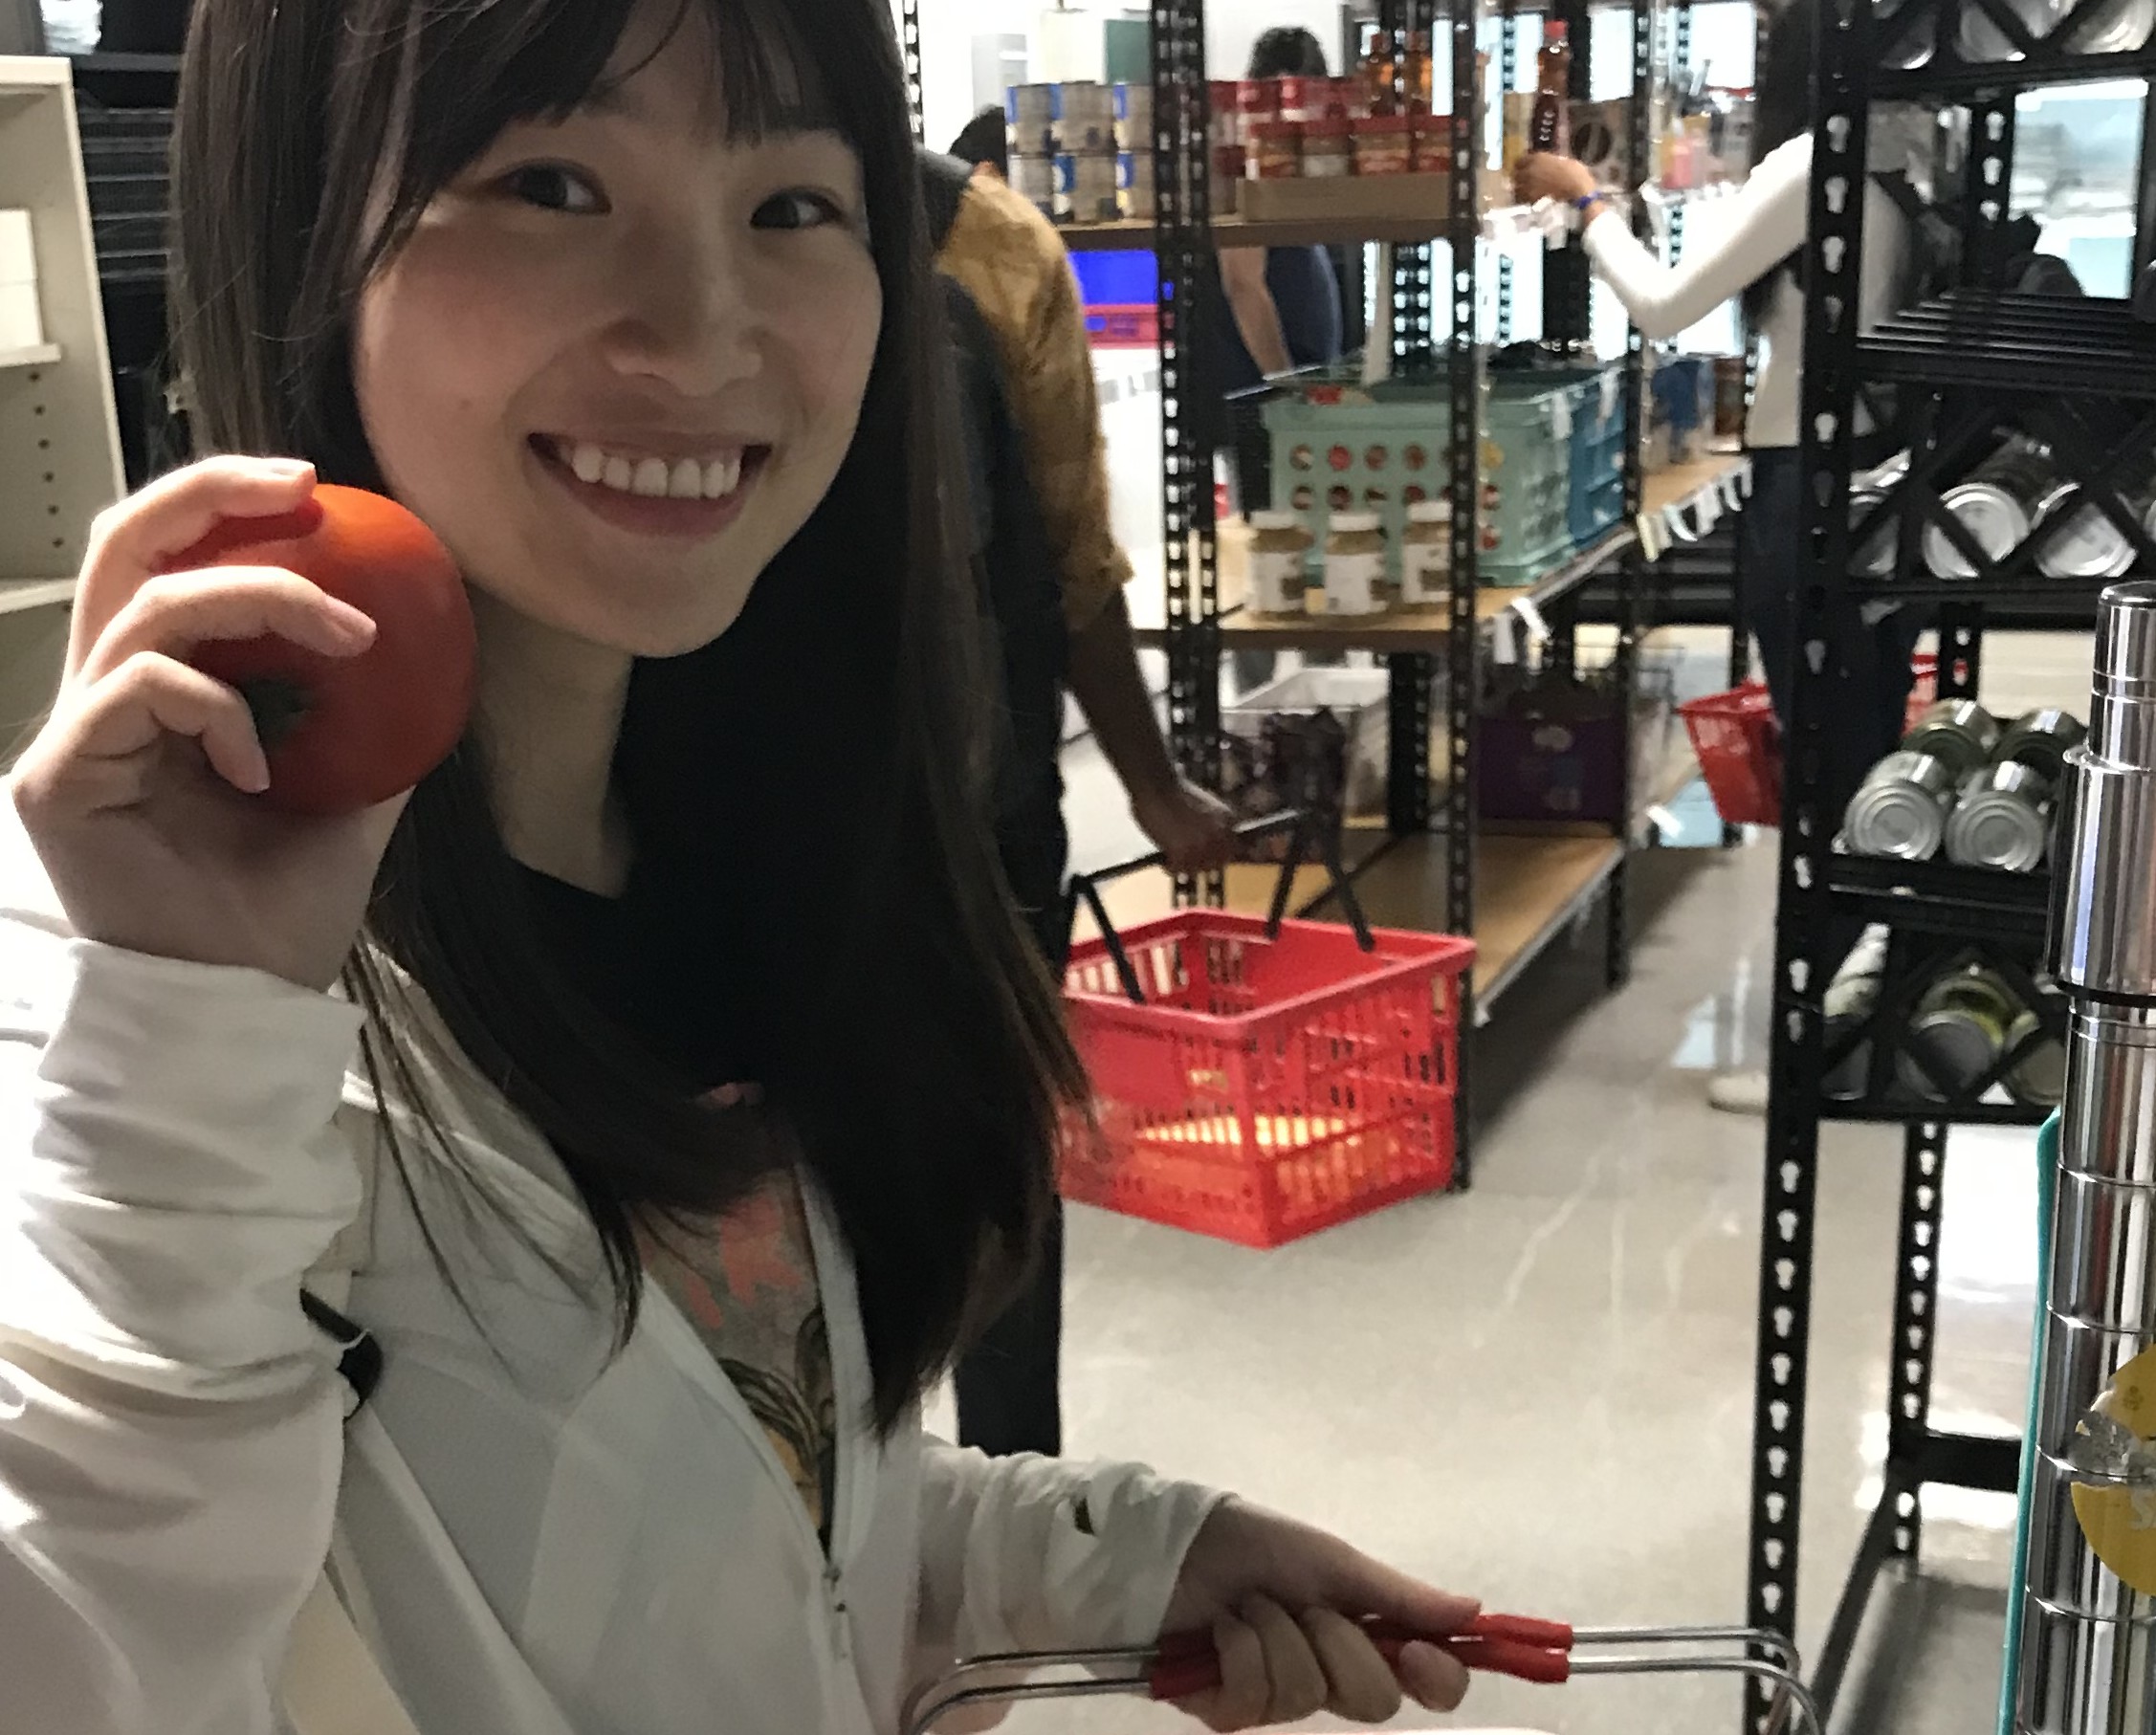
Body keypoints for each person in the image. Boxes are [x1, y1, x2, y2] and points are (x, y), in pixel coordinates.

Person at [0, 2, 1485, 1729]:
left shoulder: (751, 847)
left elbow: (753, 1506)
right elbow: (93, 1665)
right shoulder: (120, 1007)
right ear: (307, 227)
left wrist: (1125, 1552)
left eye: (795, 204)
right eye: (551, 182)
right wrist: (185, 1044)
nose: (706, 336)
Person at [1514, 0, 1929, 1113]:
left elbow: (1662, 308)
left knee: (1830, 769)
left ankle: (1819, 1048)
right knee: (1857, 749)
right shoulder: (1893, 163)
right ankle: (1856, 1011)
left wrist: (1587, 203)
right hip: (1869, 482)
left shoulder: (1807, 165)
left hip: (1808, 491)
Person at [921, 131, 1233, 1460]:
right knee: (995, 1174)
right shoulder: (991, 243)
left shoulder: (649, 212)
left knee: (763, 1191)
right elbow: (1071, 568)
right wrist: (1155, 789)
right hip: (980, 809)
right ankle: (1005, 1503)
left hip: (743, 815)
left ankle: (826, 1540)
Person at [1213, 27, 1347, 508]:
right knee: (1279, 539)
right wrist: (1286, 386)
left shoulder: (1292, 162)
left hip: (1298, 388)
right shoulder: (1247, 160)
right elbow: (1243, 285)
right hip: (1266, 401)